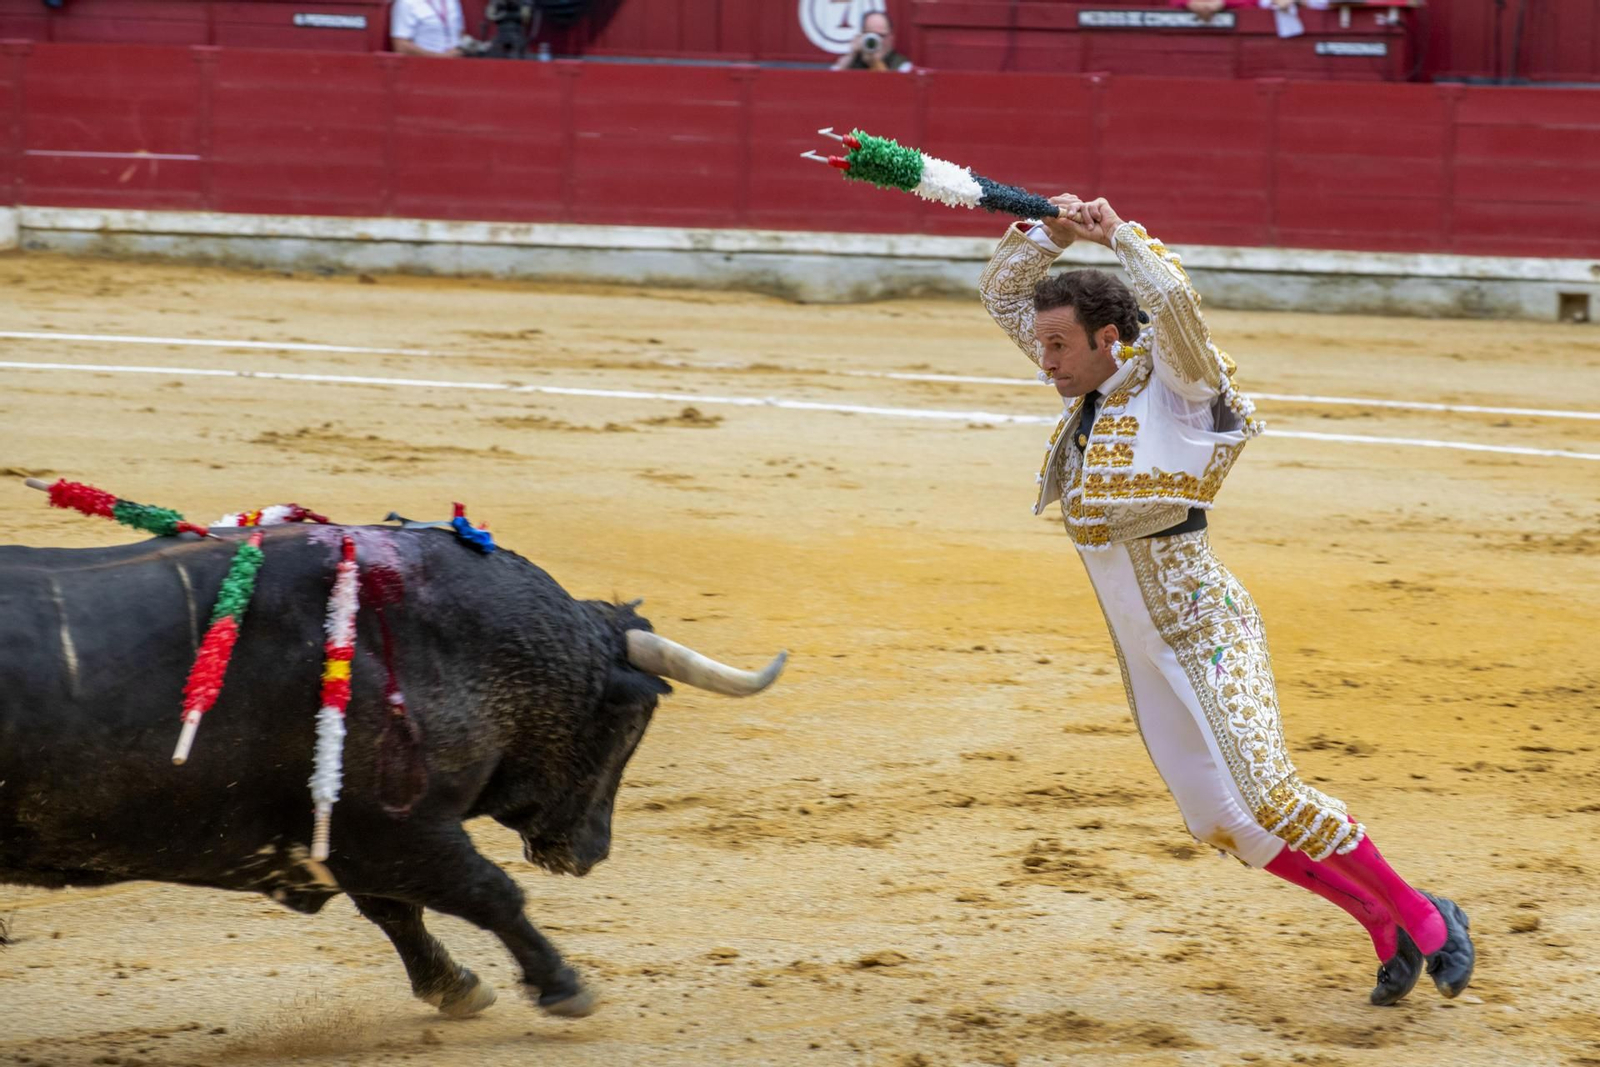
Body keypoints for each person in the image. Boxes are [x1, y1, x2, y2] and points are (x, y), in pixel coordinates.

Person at [977, 194, 1476, 1006]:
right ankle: (1378, 923)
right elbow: (1003, 294)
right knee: (1219, 818)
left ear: (1110, 338)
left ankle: (1426, 914)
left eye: (1059, 344)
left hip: (1205, 625)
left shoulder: (1176, 384)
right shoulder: (1087, 397)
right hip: (1141, 644)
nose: (1045, 361)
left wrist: (1121, 237)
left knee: (1272, 792)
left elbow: (1172, 304)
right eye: (1043, 346)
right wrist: (1052, 234)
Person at [832, 11, 914, 73]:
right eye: (870, 34)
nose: (875, 40)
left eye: (881, 36)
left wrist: (874, 63)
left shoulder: (902, 65)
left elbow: (894, 88)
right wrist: (851, 55)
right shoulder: (853, 61)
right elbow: (831, 83)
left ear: (890, 38)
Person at [391, 0, 465, 57]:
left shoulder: (452, 2)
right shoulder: (407, 2)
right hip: (423, 66)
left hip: (456, 65)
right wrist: (440, 57)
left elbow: (460, 34)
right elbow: (401, 46)